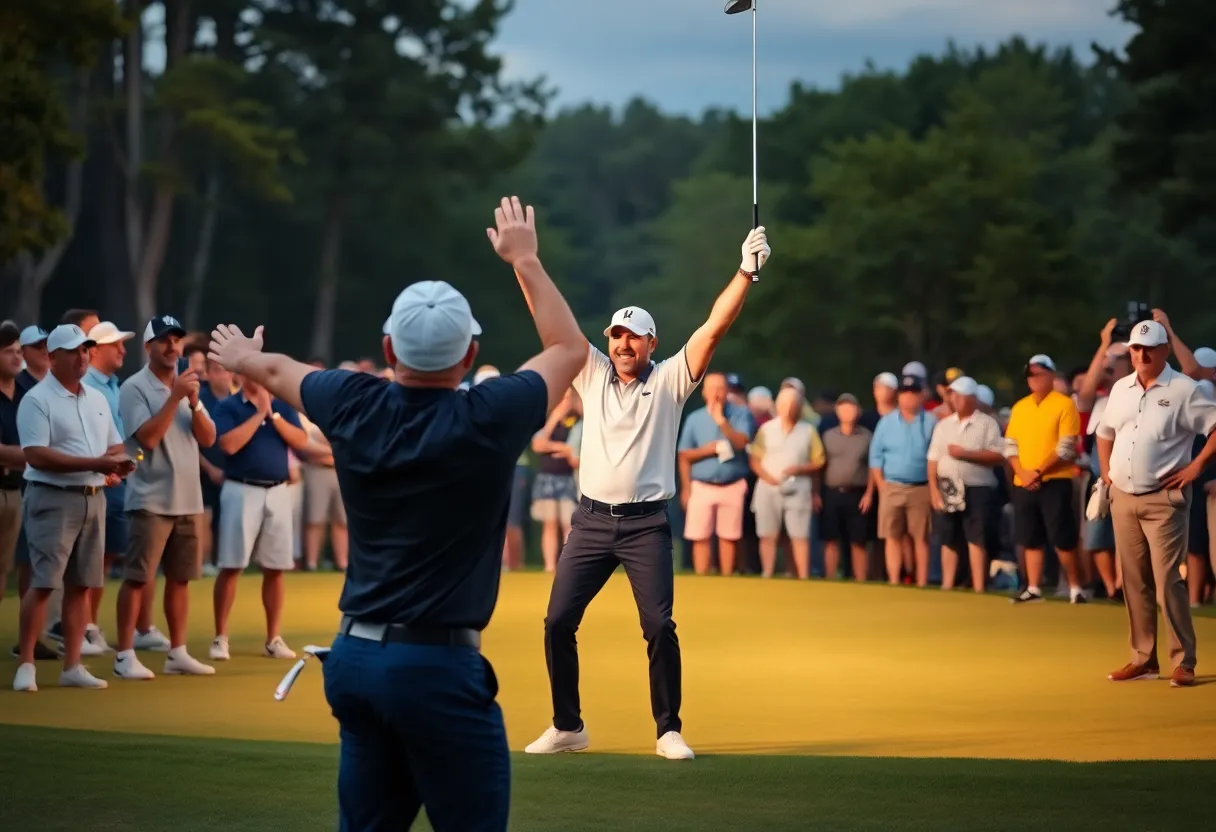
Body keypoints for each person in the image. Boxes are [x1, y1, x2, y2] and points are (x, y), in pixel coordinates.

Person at [206, 195, 586, 831]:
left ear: (388, 347)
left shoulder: (352, 400)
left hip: (355, 659)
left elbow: (273, 367)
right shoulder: (490, 414)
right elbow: (569, 347)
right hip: (437, 668)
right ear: (469, 355)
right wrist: (524, 259)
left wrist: (241, 356)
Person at [525, 224, 770, 761]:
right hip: (590, 523)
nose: (623, 344)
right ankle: (568, 726)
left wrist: (745, 272)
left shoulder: (671, 380)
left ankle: (668, 730)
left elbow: (713, 327)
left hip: (645, 526)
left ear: (651, 344)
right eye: (617, 335)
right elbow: (553, 321)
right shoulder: (591, 373)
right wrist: (526, 263)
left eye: (634, 337)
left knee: (658, 624)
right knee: (558, 621)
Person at [12, 324, 136, 692]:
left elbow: (114, 445)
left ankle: (73, 666)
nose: (81, 356)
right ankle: (26, 663)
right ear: (52, 358)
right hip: (52, 498)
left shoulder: (96, 398)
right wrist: (96, 463)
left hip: (93, 497)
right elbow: (36, 454)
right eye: (73, 351)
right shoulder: (37, 399)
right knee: (44, 583)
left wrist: (116, 465)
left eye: (85, 350)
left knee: (81, 585)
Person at [1097, 320, 1216, 687]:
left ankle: (1184, 661)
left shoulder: (1185, 388)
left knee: (1167, 581)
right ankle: (1143, 659)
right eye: (1136, 348)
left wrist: (1196, 467)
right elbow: (1104, 432)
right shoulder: (1120, 388)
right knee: (1134, 581)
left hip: (1164, 498)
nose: (1142, 355)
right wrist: (1107, 474)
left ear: (1165, 349)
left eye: (1149, 348)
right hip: (1123, 496)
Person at [112, 315, 217, 680]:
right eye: (164, 340)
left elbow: (209, 438)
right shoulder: (134, 387)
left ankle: (178, 652)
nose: (172, 346)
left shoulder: (187, 384)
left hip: (188, 498)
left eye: (176, 340)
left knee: (180, 578)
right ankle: (124, 654)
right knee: (138, 578)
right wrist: (175, 397)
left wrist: (195, 402)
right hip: (151, 498)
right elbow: (149, 438)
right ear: (148, 347)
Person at [209, 371, 311, 661]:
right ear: (241, 376)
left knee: (276, 567)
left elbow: (300, 440)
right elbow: (229, 444)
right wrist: (259, 415)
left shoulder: (283, 406)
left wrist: (272, 415)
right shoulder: (228, 406)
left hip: (278, 490)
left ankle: (273, 638)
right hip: (241, 489)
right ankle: (220, 637)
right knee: (232, 565)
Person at [1004, 354, 1085, 604]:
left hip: (1055, 480)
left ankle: (1075, 588)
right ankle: (1033, 588)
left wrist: (1037, 472)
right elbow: (1010, 445)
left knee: (1063, 538)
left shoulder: (1064, 404)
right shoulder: (1020, 407)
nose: (1034, 380)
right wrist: (1022, 473)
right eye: (1030, 376)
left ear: (1051, 375)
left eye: (1039, 374)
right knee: (1030, 537)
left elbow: (1066, 447)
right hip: (1024, 481)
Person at [927, 377, 1005, 592]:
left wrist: (966, 454)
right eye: (952, 395)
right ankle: (947, 585)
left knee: (976, 538)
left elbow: (998, 456)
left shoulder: (987, 423)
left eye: (959, 395)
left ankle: (979, 587)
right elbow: (932, 459)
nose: (954, 399)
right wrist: (933, 490)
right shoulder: (943, 425)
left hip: (978, 488)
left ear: (971, 398)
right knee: (948, 538)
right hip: (948, 488)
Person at [677, 372, 756, 576]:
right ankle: (702, 578)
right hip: (701, 485)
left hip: (732, 484)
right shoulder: (694, 418)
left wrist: (721, 421)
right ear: (704, 392)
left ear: (727, 391)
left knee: (729, 536)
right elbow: (684, 455)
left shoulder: (740, 414)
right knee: (700, 535)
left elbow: (741, 443)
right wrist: (686, 488)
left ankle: (726, 577)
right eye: (711, 388)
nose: (716, 393)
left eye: (720, 388)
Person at [749, 385, 824, 578]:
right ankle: (767, 573)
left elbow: (819, 461)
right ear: (778, 406)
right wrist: (767, 477)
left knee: (800, 535)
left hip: (799, 487)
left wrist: (800, 469)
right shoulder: (767, 429)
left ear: (799, 407)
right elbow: (755, 459)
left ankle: (803, 576)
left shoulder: (808, 431)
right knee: (767, 534)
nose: (788, 409)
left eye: (792, 405)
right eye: (784, 404)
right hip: (768, 487)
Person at [869, 374, 937, 586]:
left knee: (921, 538)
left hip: (921, 487)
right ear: (898, 396)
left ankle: (922, 582)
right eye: (904, 393)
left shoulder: (931, 422)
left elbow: (936, 456)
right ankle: (894, 581)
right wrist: (881, 485)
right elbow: (875, 456)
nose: (909, 397)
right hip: (892, 485)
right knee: (892, 536)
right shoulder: (886, 422)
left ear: (921, 396)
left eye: (913, 393)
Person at [819, 393, 876, 582]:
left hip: (858, 494)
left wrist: (869, 494)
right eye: (843, 407)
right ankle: (830, 579)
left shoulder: (867, 436)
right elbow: (820, 466)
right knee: (830, 539)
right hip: (832, 493)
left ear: (858, 410)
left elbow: (873, 467)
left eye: (851, 407)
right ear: (837, 411)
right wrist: (816, 493)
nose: (847, 411)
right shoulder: (828, 436)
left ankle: (861, 580)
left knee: (859, 541)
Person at [530, 388, 581, 572]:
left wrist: (553, 447)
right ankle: (550, 566)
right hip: (547, 478)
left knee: (569, 524)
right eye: (562, 398)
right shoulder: (548, 420)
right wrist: (561, 446)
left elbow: (575, 453)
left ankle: (567, 567)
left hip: (569, 479)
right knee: (549, 524)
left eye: (568, 398)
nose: (565, 402)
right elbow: (538, 444)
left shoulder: (578, 420)